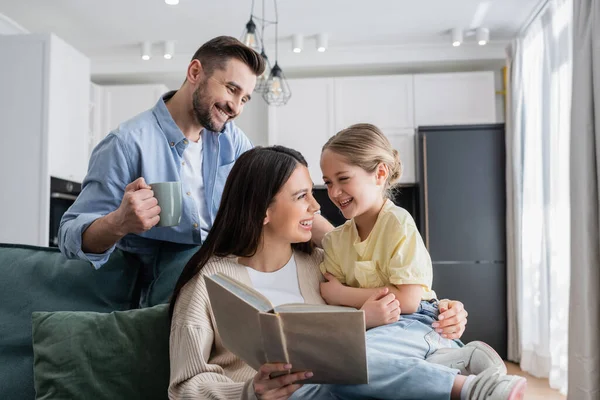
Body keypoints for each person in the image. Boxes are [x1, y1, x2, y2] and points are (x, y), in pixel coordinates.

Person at [169, 145, 524, 400]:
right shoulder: (207, 282)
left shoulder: (322, 263)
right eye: (302, 196)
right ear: (263, 211)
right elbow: (185, 387)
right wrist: (250, 391)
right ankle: (458, 372)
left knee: (335, 368)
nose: (316, 204)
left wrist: (446, 307)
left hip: (344, 387)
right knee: (332, 371)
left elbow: (395, 297)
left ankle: (454, 368)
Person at [57, 36, 332, 306]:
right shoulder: (127, 144)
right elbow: (70, 235)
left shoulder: (232, 140)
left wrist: (342, 247)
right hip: (161, 286)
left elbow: (281, 195)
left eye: (245, 99)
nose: (236, 108)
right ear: (195, 72)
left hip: (221, 270)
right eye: (231, 89)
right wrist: (119, 222)